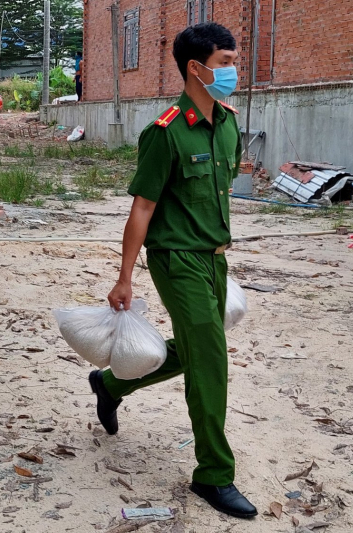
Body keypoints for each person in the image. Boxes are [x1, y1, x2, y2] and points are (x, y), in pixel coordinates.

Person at [87, 23, 257, 519]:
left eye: (232, 61)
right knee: (211, 362)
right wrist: (125, 276)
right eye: (225, 62)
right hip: (176, 259)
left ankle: (113, 385)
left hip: (214, 256)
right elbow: (142, 208)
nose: (233, 71)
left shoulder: (226, 123)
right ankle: (213, 475)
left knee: (203, 347)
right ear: (195, 69)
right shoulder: (165, 132)